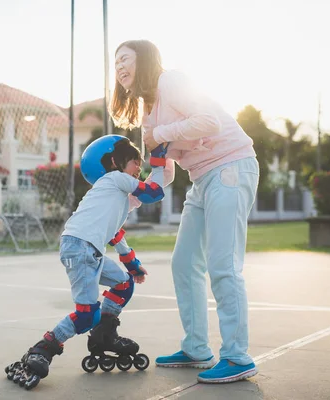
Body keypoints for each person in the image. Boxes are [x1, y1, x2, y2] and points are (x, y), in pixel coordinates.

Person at [111, 39, 260, 383]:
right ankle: (196, 348)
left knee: (223, 264)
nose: (119, 67)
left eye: (125, 59)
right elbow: (163, 171)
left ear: (144, 60)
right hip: (202, 178)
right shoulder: (147, 112)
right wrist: (127, 202)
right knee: (184, 261)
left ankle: (238, 357)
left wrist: (161, 133)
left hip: (231, 167)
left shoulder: (170, 81)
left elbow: (210, 121)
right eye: (115, 62)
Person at [5, 135, 169, 390]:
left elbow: (115, 235)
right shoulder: (116, 179)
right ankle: (43, 348)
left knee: (124, 284)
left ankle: (104, 335)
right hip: (81, 248)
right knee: (86, 316)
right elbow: (153, 193)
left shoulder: (111, 195)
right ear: (115, 161)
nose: (139, 169)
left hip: (88, 249)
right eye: (136, 163)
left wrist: (133, 266)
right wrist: (158, 162)